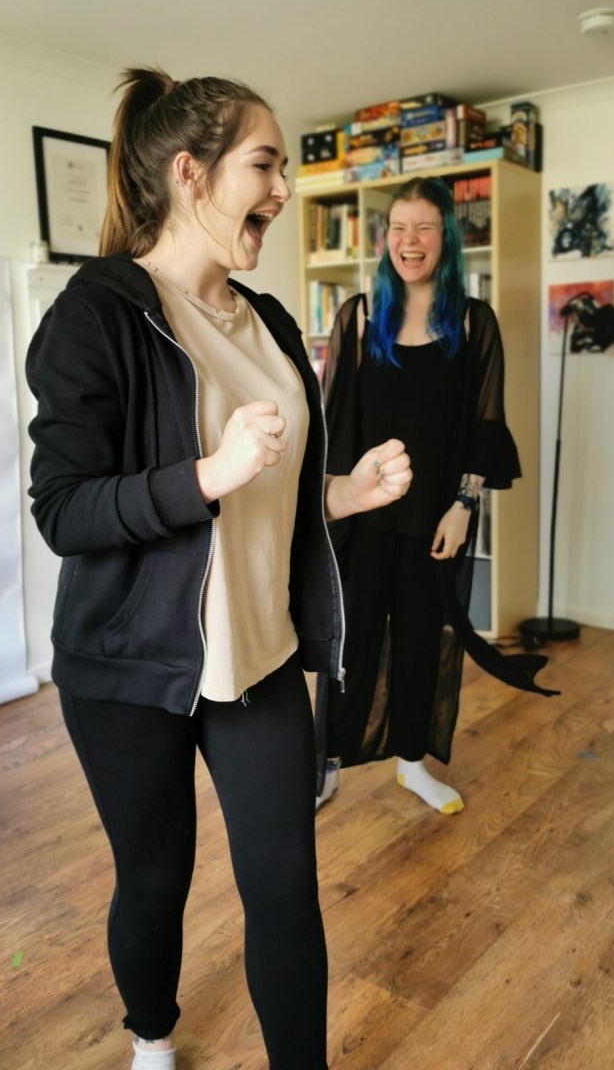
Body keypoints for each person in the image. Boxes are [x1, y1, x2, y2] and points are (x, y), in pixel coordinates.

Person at [25, 68, 412, 1070]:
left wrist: (343, 493)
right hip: (130, 671)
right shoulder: (100, 311)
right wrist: (208, 470)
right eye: (266, 164)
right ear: (191, 175)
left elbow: (264, 497)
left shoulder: (272, 323)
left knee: (284, 882)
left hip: (261, 658)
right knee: (155, 877)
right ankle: (152, 1040)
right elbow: (65, 510)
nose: (282, 189)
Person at [315, 176, 556, 815]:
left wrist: (464, 503)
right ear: (384, 237)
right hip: (362, 518)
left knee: (424, 638)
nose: (409, 241)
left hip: (436, 521)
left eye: (424, 227)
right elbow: (335, 425)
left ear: (446, 238)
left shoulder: (474, 323)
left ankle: (412, 763)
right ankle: (327, 761)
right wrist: (331, 505)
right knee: (354, 639)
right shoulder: (358, 316)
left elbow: (485, 426)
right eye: (398, 227)